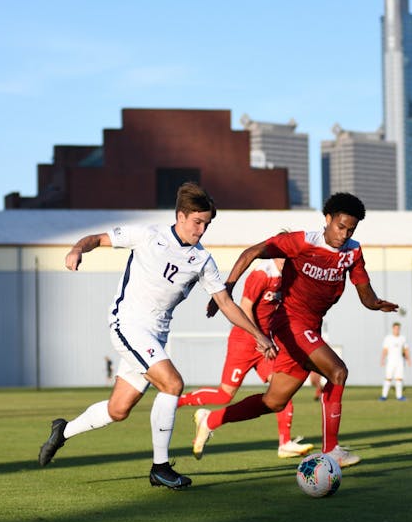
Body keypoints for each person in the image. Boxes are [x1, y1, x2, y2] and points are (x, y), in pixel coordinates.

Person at [37, 182, 277, 489]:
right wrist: (76, 249)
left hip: (155, 336)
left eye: (207, 224)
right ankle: (160, 468)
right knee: (173, 383)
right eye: (197, 222)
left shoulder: (202, 261)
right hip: (128, 325)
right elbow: (96, 238)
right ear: (180, 215)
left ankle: (63, 431)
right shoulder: (148, 235)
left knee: (118, 410)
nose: (201, 230)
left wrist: (258, 334)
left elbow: (226, 302)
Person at [193, 192, 399, 468]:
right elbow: (251, 252)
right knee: (338, 372)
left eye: (351, 229)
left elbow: (365, 294)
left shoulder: (353, 252)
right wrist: (226, 288)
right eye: (340, 227)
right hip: (289, 322)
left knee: (274, 402)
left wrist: (376, 304)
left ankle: (211, 419)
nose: (344, 234)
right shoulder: (301, 242)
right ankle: (332, 450)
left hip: (309, 328)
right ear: (327, 219)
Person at [178, 257, 314, 458]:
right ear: (278, 255)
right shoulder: (261, 274)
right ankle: (179, 402)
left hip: (265, 345)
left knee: (282, 389)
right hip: (245, 341)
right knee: (224, 395)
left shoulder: (288, 277)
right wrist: (257, 336)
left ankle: (284, 443)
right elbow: (245, 307)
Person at [379, 321, 412, 401]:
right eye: (395, 328)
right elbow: (385, 350)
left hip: (400, 362)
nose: (397, 330)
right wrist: (382, 359)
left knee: (399, 379)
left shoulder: (402, 338)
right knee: (388, 378)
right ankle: (384, 396)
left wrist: (408, 359)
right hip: (390, 361)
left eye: (398, 328)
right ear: (393, 329)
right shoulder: (388, 338)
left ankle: (399, 396)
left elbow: (405, 350)